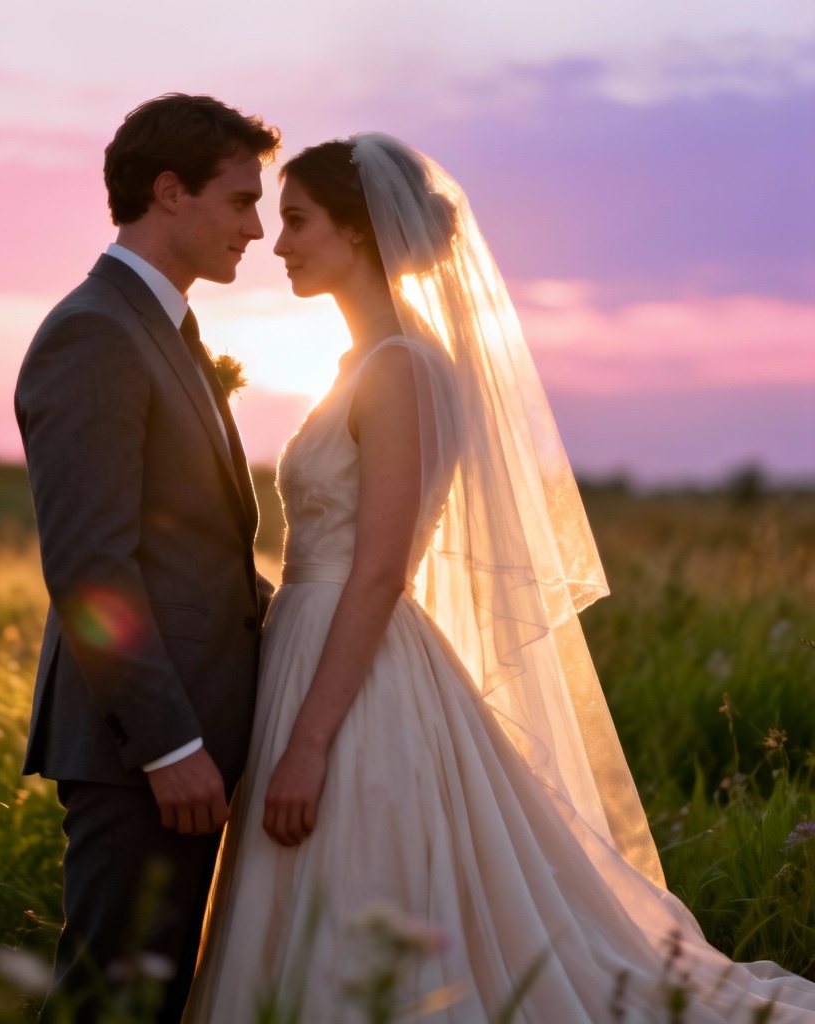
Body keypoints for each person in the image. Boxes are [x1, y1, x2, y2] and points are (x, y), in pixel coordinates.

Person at [182, 134, 815, 1021]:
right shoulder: (361, 364)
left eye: (296, 221)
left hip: (353, 677)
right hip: (308, 651)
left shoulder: (402, 368)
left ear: (359, 233)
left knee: (356, 876)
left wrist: (311, 743)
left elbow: (381, 574)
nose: (277, 243)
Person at [14, 93, 279, 1023]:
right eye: (241, 200)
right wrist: (169, 744)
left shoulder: (166, 328)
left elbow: (188, 546)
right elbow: (91, 566)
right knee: (109, 1000)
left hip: (190, 738)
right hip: (144, 750)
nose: (258, 226)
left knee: (149, 997)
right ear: (169, 192)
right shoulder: (95, 332)